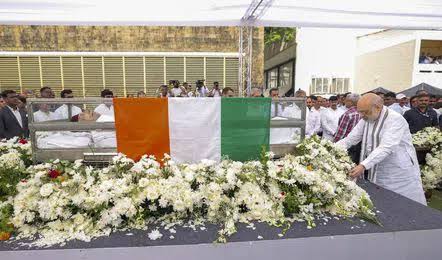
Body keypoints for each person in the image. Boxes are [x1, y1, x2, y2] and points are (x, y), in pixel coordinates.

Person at [336, 93, 426, 205]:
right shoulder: (366, 118)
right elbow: (351, 139)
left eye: (365, 112)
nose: (361, 115)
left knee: (402, 203)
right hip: (377, 166)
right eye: (360, 111)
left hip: (397, 169)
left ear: (378, 108)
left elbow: (386, 147)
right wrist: (330, 149)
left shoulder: (395, 119)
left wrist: (363, 165)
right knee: (380, 201)